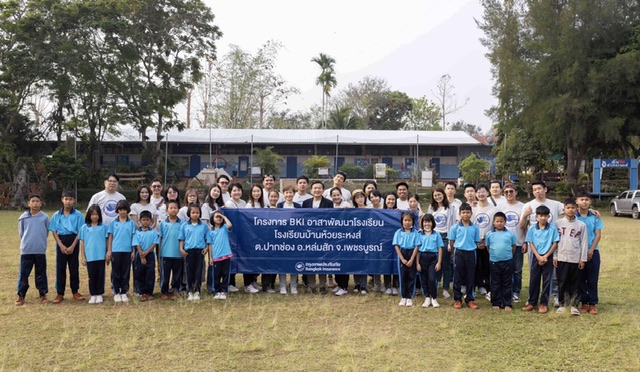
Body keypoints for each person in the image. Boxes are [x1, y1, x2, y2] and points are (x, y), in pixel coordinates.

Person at [522, 205, 559, 314]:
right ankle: (532, 302)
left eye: (545, 216)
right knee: (534, 280)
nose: (543, 218)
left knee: (547, 281)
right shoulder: (532, 228)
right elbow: (531, 242)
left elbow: (555, 243)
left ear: (548, 216)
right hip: (536, 257)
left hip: (548, 257)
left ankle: (543, 304)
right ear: (537, 216)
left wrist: (546, 256)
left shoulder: (552, 228)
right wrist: (538, 256)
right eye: (540, 215)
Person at [49, 190, 85, 304]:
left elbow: (80, 231)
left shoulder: (78, 215)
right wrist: (60, 245)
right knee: (60, 268)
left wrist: (73, 246)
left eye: (70, 199)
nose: (68, 201)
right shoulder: (56, 215)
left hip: (74, 240)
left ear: (74, 200)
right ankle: (60, 293)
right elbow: (53, 231)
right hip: (61, 240)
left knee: (74, 267)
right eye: (66, 199)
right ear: (62, 200)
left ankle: (75, 291)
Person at [554, 198, 588, 316]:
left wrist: (583, 259)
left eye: (573, 208)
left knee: (575, 282)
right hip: (561, 257)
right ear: (564, 209)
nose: (570, 210)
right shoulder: (558, 223)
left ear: (577, 209)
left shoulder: (581, 225)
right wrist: (555, 256)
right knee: (562, 281)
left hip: (575, 258)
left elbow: (584, 242)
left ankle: (574, 305)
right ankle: (562, 304)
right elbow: (554, 242)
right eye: (568, 208)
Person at [15, 194, 50, 306]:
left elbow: (46, 232)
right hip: (26, 250)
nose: (35, 203)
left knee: (41, 273)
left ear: (41, 203)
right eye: (33, 201)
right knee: (24, 274)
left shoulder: (45, 217)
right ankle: (21, 295)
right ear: (28, 203)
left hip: (40, 250)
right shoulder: (23, 217)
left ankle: (43, 294)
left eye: (37, 201)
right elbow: (21, 233)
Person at [302, 180, 333, 294]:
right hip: (309, 237)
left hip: (323, 236)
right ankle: (311, 285)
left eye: (319, 188)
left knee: (322, 261)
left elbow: (331, 219)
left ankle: (322, 285)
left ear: (323, 190)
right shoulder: (306, 203)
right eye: (315, 188)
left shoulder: (329, 203)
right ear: (311, 190)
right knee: (310, 261)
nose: (317, 190)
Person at [448, 203, 481, 309]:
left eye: (468, 212)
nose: (465, 215)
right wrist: (454, 253)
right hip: (459, 253)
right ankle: (458, 299)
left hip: (471, 253)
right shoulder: (455, 227)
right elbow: (452, 242)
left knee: (471, 276)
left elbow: (476, 241)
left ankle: (470, 299)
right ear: (459, 214)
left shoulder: (475, 228)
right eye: (463, 212)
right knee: (457, 277)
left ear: (471, 214)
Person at [576, 191, 603, 315]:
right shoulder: (574, 216)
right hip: (577, 252)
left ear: (590, 202)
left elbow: (598, 234)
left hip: (593, 251)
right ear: (577, 201)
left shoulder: (594, 217)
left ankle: (592, 303)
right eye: (581, 199)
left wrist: (591, 250)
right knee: (580, 278)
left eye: (587, 200)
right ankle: (584, 303)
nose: (584, 202)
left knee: (592, 278)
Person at [427, 187, 456, 299]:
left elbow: (452, 224)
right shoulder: (431, 208)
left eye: (439, 195)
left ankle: (445, 288)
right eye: (435, 195)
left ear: (443, 195)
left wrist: (450, 242)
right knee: (434, 262)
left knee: (446, 264)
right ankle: (437, 282)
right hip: (433, 237)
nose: (437, 197)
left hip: (445, 237)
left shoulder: (449, 208)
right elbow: (428, 221)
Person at [485, 212, 517, 311]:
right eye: (497, 221)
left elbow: (514, 247)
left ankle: (507, 303)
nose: (499, 223)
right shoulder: (489, 234)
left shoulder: (510, 234)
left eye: (501, 221)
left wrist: (508, 256)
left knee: (507, 282)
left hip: (507, 261)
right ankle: (496, 302)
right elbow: (488, 247)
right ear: (494, 222)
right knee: (495, 283)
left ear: (505, 222)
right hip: (494, 261)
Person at [79, 205, 110, 304]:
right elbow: (82, 243)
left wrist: (107, 253)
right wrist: (83, 256)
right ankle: (93, 294)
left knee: (100, 275)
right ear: (89, 215)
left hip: (100, 256)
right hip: (90, 256)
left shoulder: (103, 227)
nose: (94, 216)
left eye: (96, 214)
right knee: (91, 276)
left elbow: (107, 240)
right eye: (92, 214)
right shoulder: (84, 227)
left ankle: (99, 294)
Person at [179, 203, 209, 301]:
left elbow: (207, 239)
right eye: (193, 212)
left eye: (197, 212)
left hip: (200, 251)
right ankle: (189, 291)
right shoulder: (184, 225)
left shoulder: (204, 226)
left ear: (200, 213)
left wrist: (206, 248)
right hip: (188, 251)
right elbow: (182, 238)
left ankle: (197, 291)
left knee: (198, 271)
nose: (195, 214)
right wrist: (181, 249)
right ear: (189, 213)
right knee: (188, 272)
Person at [108, 200, 136, 303]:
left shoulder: (131, 223)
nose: (122, 212)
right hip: (116, 250)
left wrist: (133, 251)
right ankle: (116, 292)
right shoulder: (113, 223)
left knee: (126, 272)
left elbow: (133, 237)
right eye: (120, 209)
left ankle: (124, 292)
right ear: (117, 210)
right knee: (116, 272)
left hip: (127, 251)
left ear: (127, 210)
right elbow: (110, 237)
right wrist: (109, 250)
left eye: (124, 209)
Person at [501, 184, 525, 303]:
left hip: (519, 242)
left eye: (511, 191)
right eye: (506, 192)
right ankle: (505, 290)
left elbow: (525, 225)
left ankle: (516, 291)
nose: (509, 194)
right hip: (503, 244)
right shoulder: (500, 207)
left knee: (517, 270)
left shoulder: (523, 207)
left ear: (516, 192)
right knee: (505, 269)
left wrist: (525, 241)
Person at [472, 183, 496, 298]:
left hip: (488, 243)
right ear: (476, 194)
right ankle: (477, 285)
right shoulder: (473, 209)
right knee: (475, 265)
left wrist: (485, 241)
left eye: (483, 191)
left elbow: (495, 226)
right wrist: (477, 241)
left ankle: (488, 288)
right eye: (478, 192)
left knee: (487, 266)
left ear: (488, 193)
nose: (481, 194)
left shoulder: (494, 209)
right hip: (474, 242)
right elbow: (470, 226)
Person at [393, 211, 421, 307]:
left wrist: (412, 259)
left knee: (411, 276)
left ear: (413, 221)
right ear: (402, 221)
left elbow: (417, 247)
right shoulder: (398, 232)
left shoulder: (416, 233)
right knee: (403, 277)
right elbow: (396, 246)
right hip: (402, 253)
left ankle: (409, 297)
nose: (407, 222)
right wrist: (402, 258)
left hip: (412, 253)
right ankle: (403, 297)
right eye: (405, 220)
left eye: (409, 220)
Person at [158, 200, 184, 300]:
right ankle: (164, 291)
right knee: (165, 275)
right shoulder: (163, 224)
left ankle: (176, 290)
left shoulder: (182, 224)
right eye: (171, 208)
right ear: (167, 210)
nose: (173, 210)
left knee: (177, 274)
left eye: (175, 208)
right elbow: (160, 238)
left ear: (178, 209)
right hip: (166, 253)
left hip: (178, 254)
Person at [417, 214, 443, 308]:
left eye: (429, 221)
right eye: (425, 222)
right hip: (422, 257)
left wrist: (439, 262)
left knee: (432, 279)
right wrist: (417, 263)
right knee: (424, 279)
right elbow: (417, 250)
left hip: (433, 258)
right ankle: (427, 297)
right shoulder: (419, 234)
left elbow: (440, 248)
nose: (427, 224)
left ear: (432, 223)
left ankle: (434, 298)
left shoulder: (437, 234)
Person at [207, 211, 233, 300]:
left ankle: (224, 290)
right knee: (216, 275)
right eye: (216, 217)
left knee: (225, 274)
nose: (218, 218)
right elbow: (209, 245)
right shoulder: (210, 232)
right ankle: (217, 291)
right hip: (216, 256)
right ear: (212, 219)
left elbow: (230, 225)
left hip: (226, 255)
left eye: (220, 217)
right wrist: (210, 257)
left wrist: (223, 216)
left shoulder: (224, 228)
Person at [133, 210, 159, 301]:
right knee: (140, 273)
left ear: (151, 221)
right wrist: (141, 254)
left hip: (150, 254)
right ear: (140, 221)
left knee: (150, 273)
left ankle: (149, 292)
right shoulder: (137, 232)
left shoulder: (153, 232)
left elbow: (155, 243)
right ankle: (142, 292)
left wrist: (147, 252)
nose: (145, 222)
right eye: (143, 220)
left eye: (147, 220)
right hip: (139, 255)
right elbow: (136, 243)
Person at [350, 189, 368, 294]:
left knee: (364, 262)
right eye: (357, 197)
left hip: (366, 240)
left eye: (361, 197)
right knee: (355, 262)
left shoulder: (369, 210)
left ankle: (364, 285)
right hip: (354, 240)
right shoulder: (351, 210)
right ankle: (357, 284)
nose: (360, 199)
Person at [383, 192, 399, 295]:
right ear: (385, 201)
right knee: (386, 263)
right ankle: (387, 286)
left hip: (397, 242)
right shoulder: (381, 213)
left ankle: (395, 286)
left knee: (396, 263)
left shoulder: (399, 213)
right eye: (389, 199)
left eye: (393, 199)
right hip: (384, 242)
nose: (391, 201)